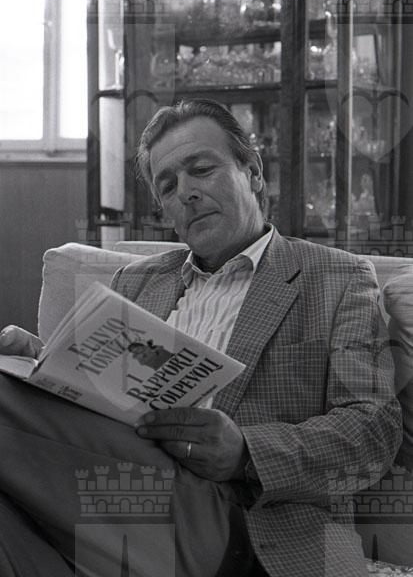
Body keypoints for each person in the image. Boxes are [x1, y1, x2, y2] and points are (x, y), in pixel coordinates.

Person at [0, 98, 402, 577]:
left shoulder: (337, 278)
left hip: (248, 523)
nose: (187, 192)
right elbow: (89, 411)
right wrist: (35, 365)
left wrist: (246, 452)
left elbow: (373, 431)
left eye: (202, 169)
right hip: (115, 503)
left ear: (253, 173)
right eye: (168, 185)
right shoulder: (136, 282)